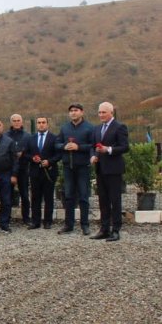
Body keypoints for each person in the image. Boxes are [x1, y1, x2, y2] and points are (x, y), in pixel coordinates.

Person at [90, 102, 129, 242]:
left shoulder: (119, 127)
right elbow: (93, 146)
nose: (101, 115)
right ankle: (104, 229)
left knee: (115, 200)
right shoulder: (97, 129)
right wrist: (93, 155)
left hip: (114, 169)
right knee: (103, 200)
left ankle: (116, 230)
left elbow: (125, 147)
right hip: (100, 169)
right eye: (99, 112)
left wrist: (109, 150)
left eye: (104, 112)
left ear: (111, 112)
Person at [55, 103, 94, 235]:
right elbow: (57, 143)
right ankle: (68, 225)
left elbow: (93, 146)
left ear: (82, 112)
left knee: (83, 196)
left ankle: (85, 225)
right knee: (68, 196)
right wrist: (64, 146)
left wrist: (79, 147)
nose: (73, 113)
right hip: (68, 167)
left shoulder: (89, 128)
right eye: (71, 111)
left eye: (76, 110)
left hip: (83, 166)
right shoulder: (65, 128)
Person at [24, 117, 61, 229]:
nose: (41, 125)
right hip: (35, 172)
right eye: (39, 123)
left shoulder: (54, 138)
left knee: (48, 197)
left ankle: (48, 221)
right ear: (36, 125)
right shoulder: (31, 138)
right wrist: (32, 158)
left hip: (49, 172)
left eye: (43, 123)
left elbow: (59, 154)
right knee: (35, 198)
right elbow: (26, 154)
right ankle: (36, 221)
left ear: (47, 124)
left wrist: (49, 161)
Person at [5, 114, 32, 225]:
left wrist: (23, 154)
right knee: (7, 195)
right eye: (14, 121)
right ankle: (6, 218)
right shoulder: (5, 136)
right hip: (9, 170)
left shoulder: (28, 136)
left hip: (23, 169)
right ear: (11, 122)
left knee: (25, 195)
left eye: (18, 120)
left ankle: (26, 218)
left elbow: (31, 152)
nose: (16, 122)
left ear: (22, 122)